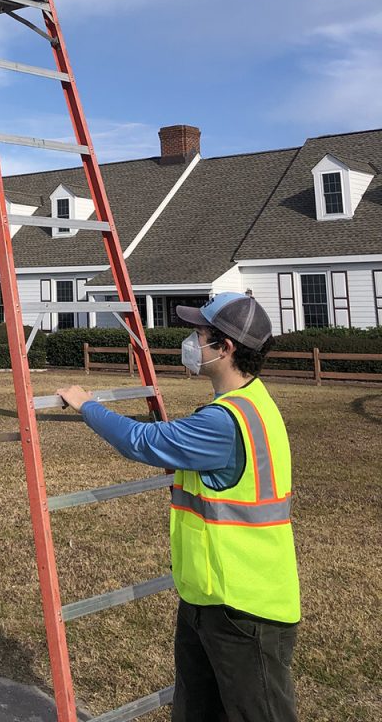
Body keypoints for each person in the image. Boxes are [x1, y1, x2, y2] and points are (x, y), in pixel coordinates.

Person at [56, 291, 299, 722]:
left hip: (245, 611)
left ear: (225, 349)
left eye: (200, 334)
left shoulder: (225, 423)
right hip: (207, 598)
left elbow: (143, 442)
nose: (191, 341)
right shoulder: (248, 404)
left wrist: (87, 404)